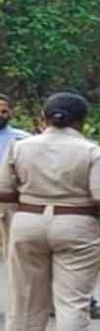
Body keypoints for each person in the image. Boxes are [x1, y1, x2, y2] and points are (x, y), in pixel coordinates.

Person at [0, 93, 100, 331]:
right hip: (77, 224)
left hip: (27, 222)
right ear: (82, 121)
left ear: (42, 117)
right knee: (72, 302)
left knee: (25, 299)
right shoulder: (91, 150)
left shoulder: (21, 146)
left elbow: (4, 191)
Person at [0, 94, 31, 252]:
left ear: (11, 113)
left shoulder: (23, 139)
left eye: (4, 111)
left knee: (12, 243)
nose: (0, 115)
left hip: (9, 195)